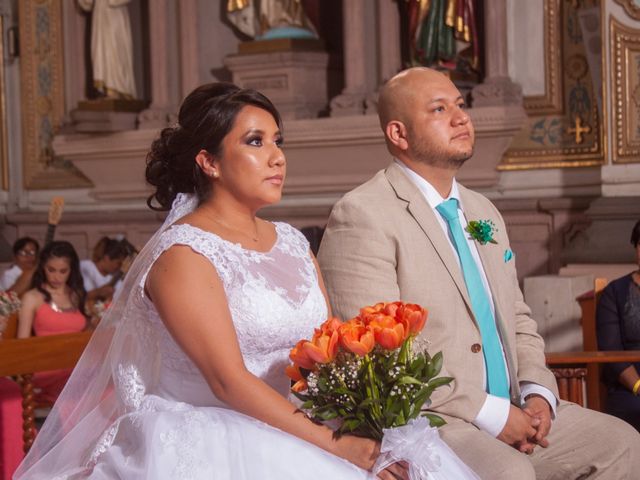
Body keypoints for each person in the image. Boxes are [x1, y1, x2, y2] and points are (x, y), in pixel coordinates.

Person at [14, 83, 416, 480]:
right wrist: (334, 445)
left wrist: (360, 418)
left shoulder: (293, 243)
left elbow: (324, 351)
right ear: (209, 162)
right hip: (216, 433)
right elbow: (227, 381)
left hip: (303, 419)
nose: (277, 157)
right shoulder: (183, 254)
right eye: (256, 142)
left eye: (278, 141)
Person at [317, 67, 640, 479]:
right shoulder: (364, 213)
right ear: (399, 134)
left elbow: (519, 318)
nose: (461, 118)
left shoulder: (483, 211)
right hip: (432, 417)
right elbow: (381, 357)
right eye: (439, 109)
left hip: (515, 402)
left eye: (461, 105)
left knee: (622, 442)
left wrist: (538, 393)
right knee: (510, 474)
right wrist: (490, 413)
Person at [17, 241, 87, 404]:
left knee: (110, 383)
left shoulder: (76, 295)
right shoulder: (32, 298)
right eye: (51, 270)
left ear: (71, 270)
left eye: (63, 271)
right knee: (75, 389)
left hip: (77, 367)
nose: (56, 276)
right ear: (43, 268)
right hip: (47, 369)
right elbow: (22, 344)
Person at [596, 219, 640, 431]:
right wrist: (638, 386)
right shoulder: (614, 292)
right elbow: (611, 350)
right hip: (629, 384)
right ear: (636, 249)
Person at [77, 0, 137, 99]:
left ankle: (119, 89)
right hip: (100, 14)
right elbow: (87, 4)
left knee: (115, 51)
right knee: (100, 52)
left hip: (115, 14)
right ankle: (104, 88)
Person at [80, 236, 131, 303]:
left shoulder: (115, 279)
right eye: (118, 263)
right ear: (107, 258)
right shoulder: (85, 267)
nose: (119, 267)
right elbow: (78, 296)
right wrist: (98, 292)